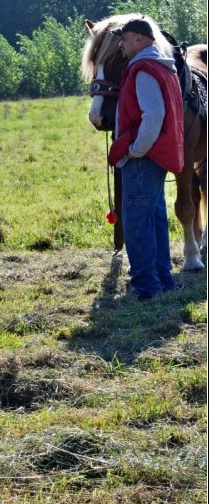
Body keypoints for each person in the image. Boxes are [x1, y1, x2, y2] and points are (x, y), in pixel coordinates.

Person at [107, 17, 184, 300]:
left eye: (125, 38)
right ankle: (163, 280)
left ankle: (146, 287)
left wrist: (135, 149)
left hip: (143, 159)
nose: (121, 44)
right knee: (154, 219)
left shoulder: (143, 69)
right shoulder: (163, 67)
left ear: (139, 39)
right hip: (156, 157)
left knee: (137, 221)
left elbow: (153, 116)